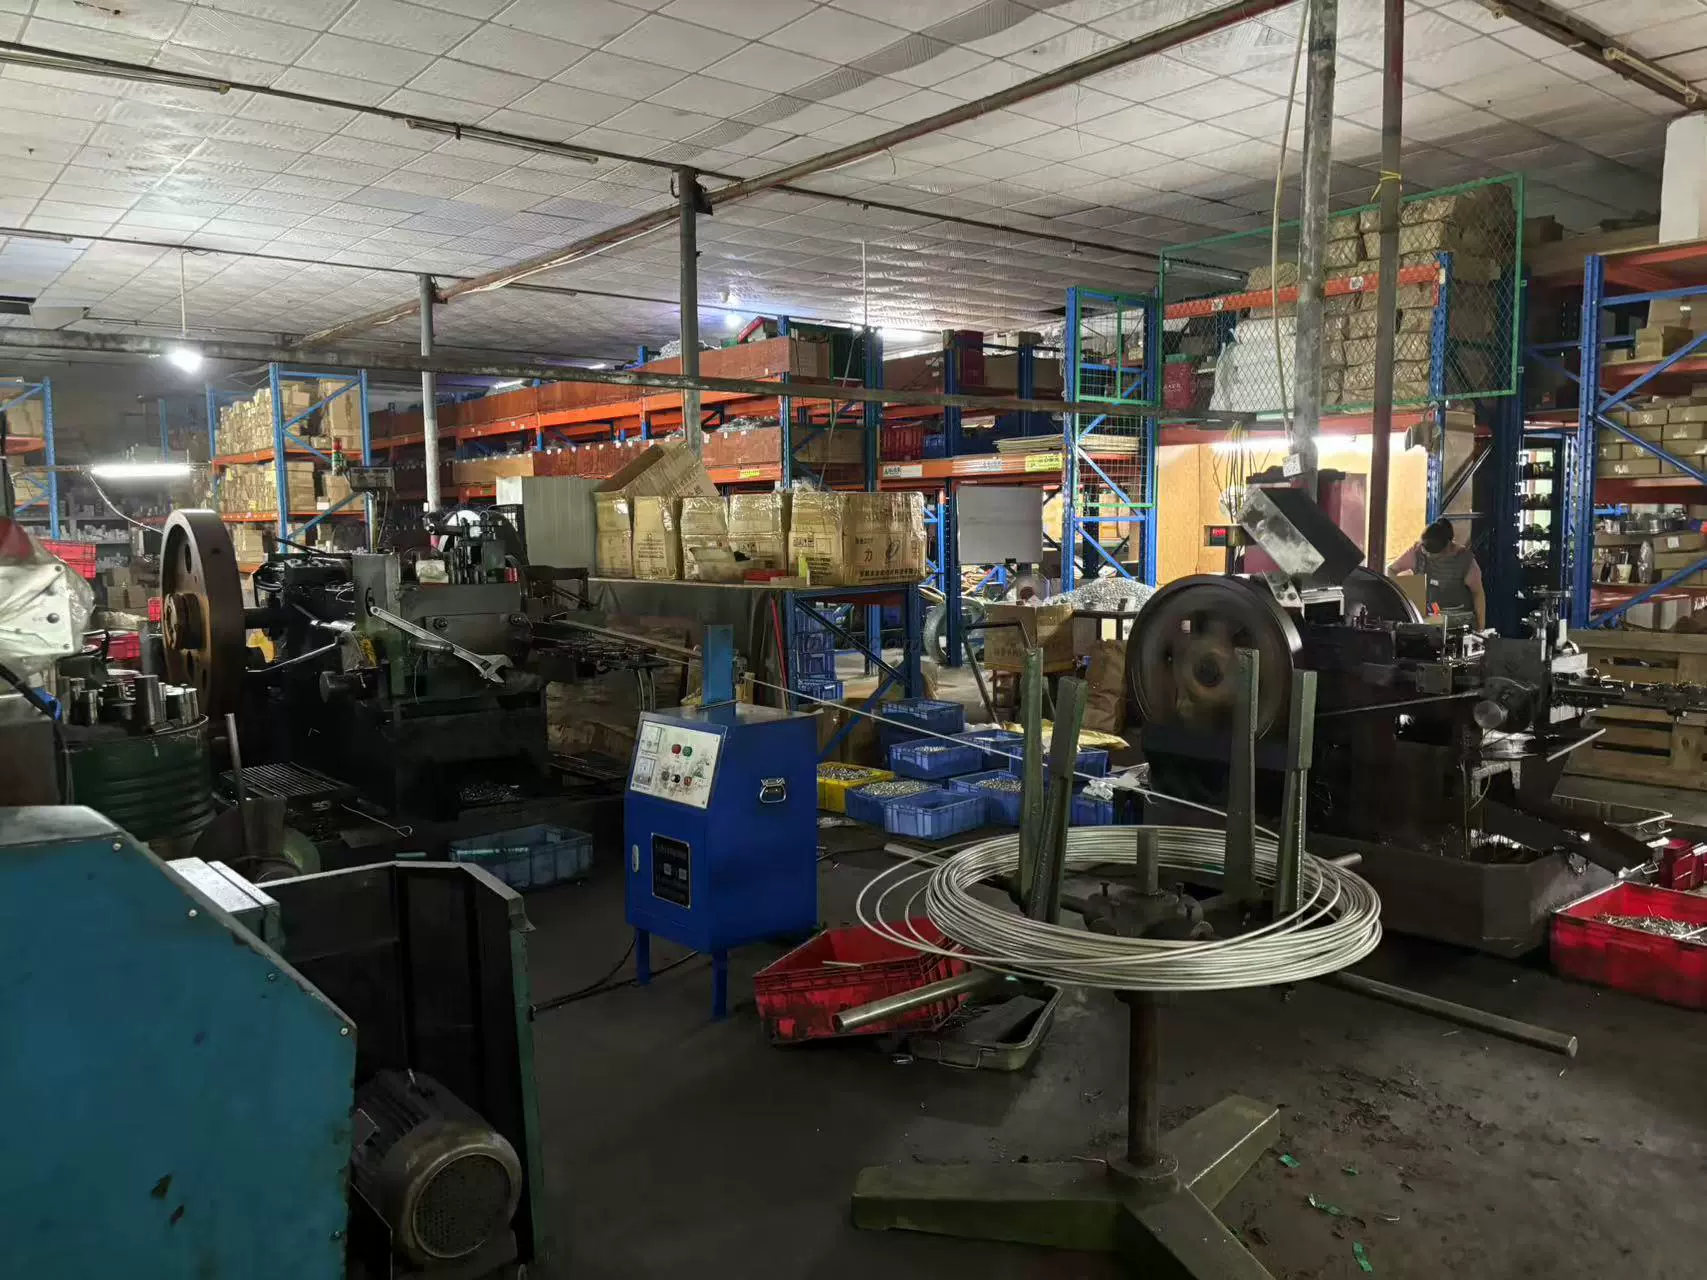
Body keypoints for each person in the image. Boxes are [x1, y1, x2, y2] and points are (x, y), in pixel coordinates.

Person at [1387, 518, 1485, 629]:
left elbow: (1478, 594)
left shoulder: (1465, 560)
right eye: (1425, 552)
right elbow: (1391, 570)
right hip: (1427, 619)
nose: (1427, 556)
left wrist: (1480, 628)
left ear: (1447, 547)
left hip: (1458, 622)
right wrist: (1403, 597)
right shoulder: (1417, 552)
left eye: (1433, 555)